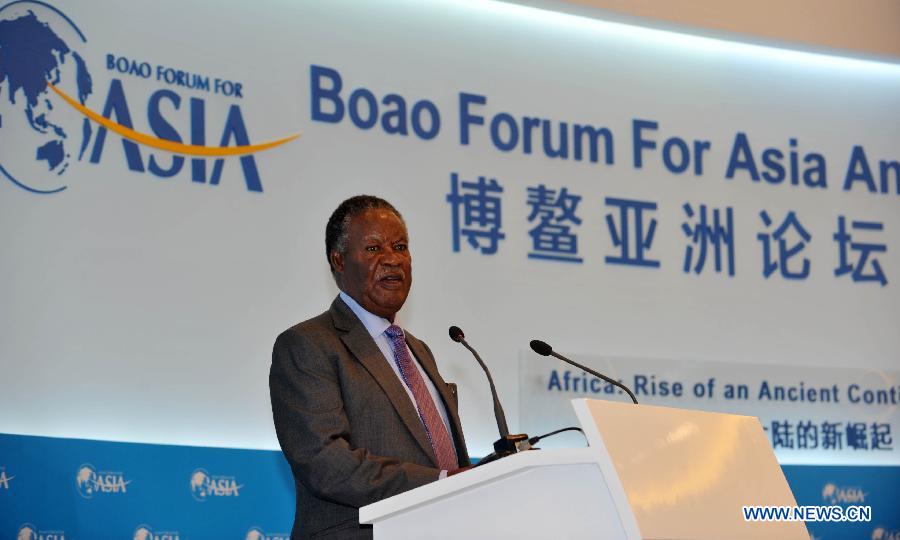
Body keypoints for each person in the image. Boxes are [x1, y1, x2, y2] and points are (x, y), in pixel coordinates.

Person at [270, 195, 470, 539]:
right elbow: (325, 462)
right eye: (374, 249)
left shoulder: (419, 351)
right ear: (340, 261)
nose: (393, 260)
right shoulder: (309, 344)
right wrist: (439, 483)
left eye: (401, 246)